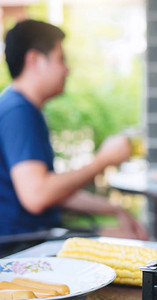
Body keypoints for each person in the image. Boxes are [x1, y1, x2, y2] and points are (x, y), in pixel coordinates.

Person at [0, 19, 148, 241]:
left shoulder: (21, 107)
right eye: (61, 59)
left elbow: (53, 193)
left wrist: (114, 209)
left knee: (127, 235)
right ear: (34, 60)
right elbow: (37, 195)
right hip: (23, 248)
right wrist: (102, 161)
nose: (66, 69)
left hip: (38, 236)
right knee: (129, 240)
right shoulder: (17, 111)